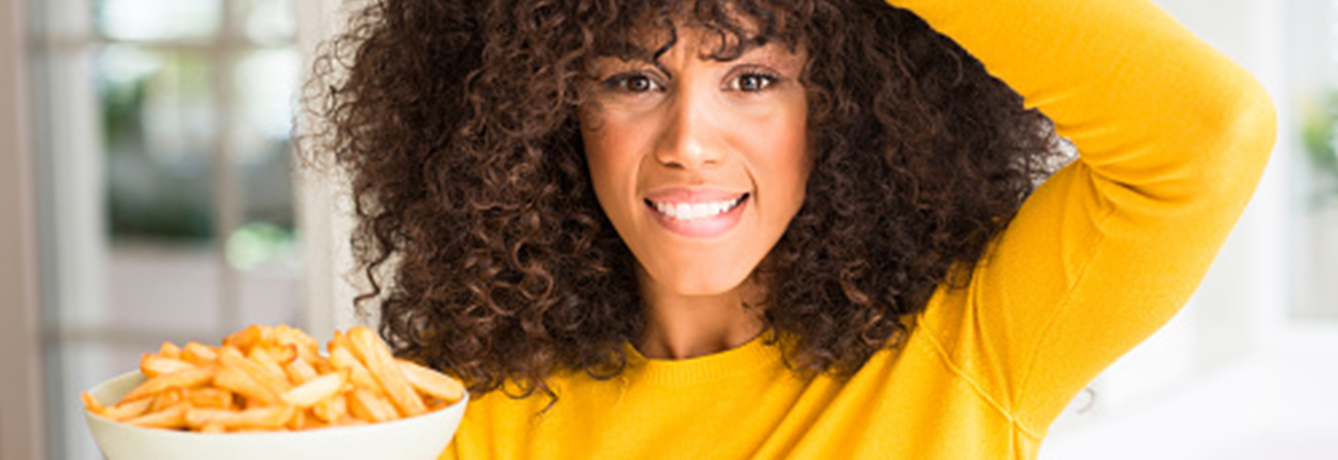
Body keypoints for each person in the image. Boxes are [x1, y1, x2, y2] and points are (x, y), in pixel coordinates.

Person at [306, 0, 1276, 458]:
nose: (689, 142)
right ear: (552, 113)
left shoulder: (968, 344)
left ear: (841, 111)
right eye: (635, 79)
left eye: (754, 79)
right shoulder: (463, 409)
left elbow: (1209, 132)